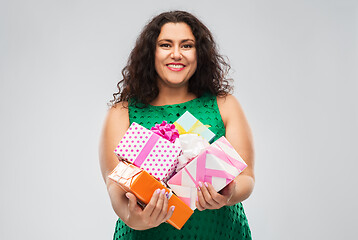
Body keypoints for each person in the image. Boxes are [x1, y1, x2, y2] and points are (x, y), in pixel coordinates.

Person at [99, 10, 255, 239]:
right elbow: (115, 186)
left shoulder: (224, 105)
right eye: (165, 45)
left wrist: (228, 195)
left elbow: (247, 177)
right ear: (150, 53)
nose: (176, 54)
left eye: (186, 45)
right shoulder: (122, 113)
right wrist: (137, 219)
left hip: (219, 231)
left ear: (199, 53)